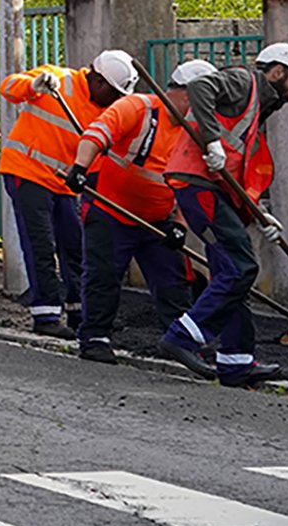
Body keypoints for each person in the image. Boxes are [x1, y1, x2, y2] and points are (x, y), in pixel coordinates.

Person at [157, 43, 288, 386]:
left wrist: (261, 216)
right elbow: (200, 86)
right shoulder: (245, 82)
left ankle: (236, 361)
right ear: (277, 72)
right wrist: (210, 142)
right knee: (242, 266)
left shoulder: (257, 109)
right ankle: (184, 335)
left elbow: (241, 172)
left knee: (230, 272)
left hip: (209, 189)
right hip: (197, 185)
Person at [0, 49, 138, 336]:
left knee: (74, 246)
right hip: (27, 172)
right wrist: (32, 86)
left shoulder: (106, 109)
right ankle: (46, 316)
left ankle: (79, 312)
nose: (117, 100)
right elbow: (8, 87)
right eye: (115, 92)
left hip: (63, 182)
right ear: (99, 81)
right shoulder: (58, 79)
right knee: (41, 245)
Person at [64, 83, 198, 367]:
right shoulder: (138, 108)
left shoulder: (194, 132)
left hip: (157, 222)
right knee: (103, 276)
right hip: (111, 212)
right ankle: (95, 337)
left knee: (172, 280)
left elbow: (192, 185)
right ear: (186, 93)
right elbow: (97, 133)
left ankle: (180, 340)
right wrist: (80, 167)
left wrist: (180, 224)